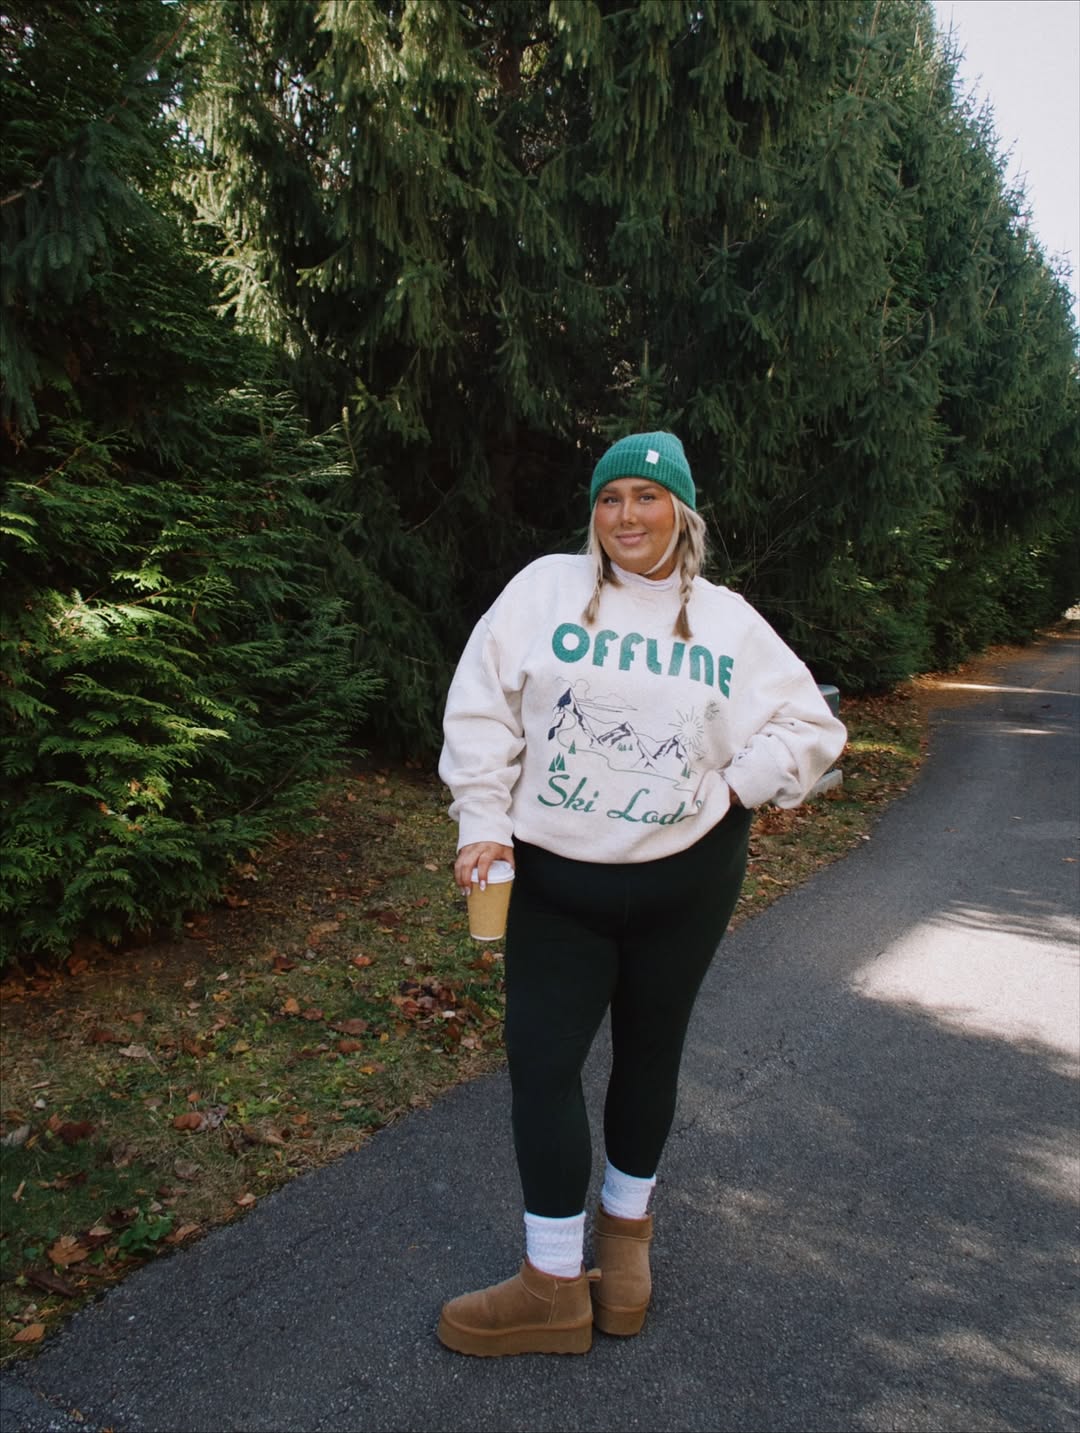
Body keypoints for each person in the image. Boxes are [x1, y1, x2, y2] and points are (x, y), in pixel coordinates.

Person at [436, 431, 846, 1356]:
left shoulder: (730, 621)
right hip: (555, 878)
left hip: (686, 878)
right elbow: (482, 709)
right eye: (612, 497)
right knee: (542, 1066)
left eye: (648, 498)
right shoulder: (543, 590)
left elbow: (814, 727)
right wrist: (481, 821)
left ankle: (625, 1250)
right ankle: (551, 1284)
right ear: (595, 510)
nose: (627, 515)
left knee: (650, 1053)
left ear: (682, 512)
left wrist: (741, 783)